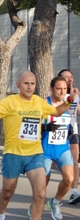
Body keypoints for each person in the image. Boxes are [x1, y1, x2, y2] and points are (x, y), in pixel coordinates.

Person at [0, 71, 78, 220]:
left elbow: (57, 112)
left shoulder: (39, 102)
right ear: (18, 85)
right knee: (8, 191)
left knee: (40, 194)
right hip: (13, 153)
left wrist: (69, 99)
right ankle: (0, 214)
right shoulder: (10, 101)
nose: (29, 87)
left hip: (35, 154)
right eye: (26, 83)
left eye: (32, 84)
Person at [30, 76, 74, 220]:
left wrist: (70, 130)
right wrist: (45, 127)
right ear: (51, 88)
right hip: (45, 150)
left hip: (62, 148)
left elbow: (70, 121)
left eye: (64, 89)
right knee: (42, 186)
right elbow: (31, 125)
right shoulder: (43, 103)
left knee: (69, 179)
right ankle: (35, 206)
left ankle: (55, 203)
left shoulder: (67, 103)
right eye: (58, 89)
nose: (62, 92)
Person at [57, 69, 80, 205]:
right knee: (56, 164)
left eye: (71, 77)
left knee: (75, 162)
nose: (70, 79)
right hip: (58, 131)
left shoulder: (76, 95)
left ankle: (73, 192)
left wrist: (76, 97)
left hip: (73, 130)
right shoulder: (57, 95)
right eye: (66, 77)